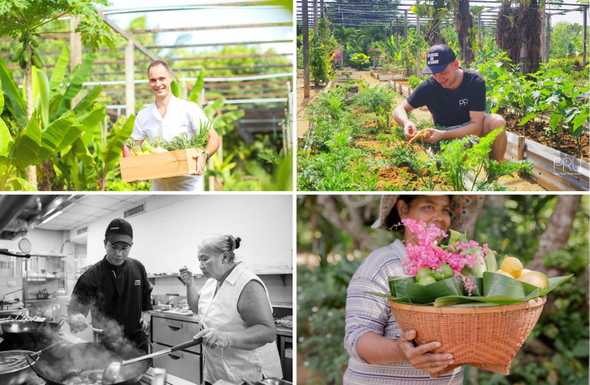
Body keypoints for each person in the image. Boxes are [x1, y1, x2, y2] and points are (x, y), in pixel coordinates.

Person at [344, 195, 482, 385]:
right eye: (428, 207)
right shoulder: (382, 264)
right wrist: (403, 351)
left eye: (445, 210)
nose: (439, 217)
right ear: (403, 210)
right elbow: (357, 339)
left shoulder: (455, 268)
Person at [179, 235, 282, 384]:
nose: (200, 265)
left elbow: (268, 332)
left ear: (225, 257)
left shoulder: (247, 283)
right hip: (219, 372)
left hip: (249, 373)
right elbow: (196, 307)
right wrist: (189, 284)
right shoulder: (212, 282)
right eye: (199, 260)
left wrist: (226, 338)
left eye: (205, 259)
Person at [392, 44, 507, 161]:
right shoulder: (428, 87)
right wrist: (406, 123)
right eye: (434, 73)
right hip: (443, 134)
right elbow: (399, 109)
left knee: (497, 122)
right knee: (452, 164)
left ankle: (495, 170)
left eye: (443, 72)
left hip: (470, 131)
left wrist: (443, 134)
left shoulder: (474, 82)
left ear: (456, 65)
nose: (439, 78)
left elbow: (476, 126)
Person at [132, 60, 221, 191]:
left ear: (170, 79)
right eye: (153, 80)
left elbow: (213, 138)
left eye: (162, 79)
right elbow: (135, 146)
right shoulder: (143, 115)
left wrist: (204, 156)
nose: (158, 84)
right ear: (148, 82)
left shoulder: (189, 109)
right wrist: (138, 165)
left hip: (188, 185)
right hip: (159, 186)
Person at [67, 218, 152, 354]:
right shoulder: (91, 276)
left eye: (124, 248)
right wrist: (76, 318)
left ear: (131, 246)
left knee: (143, 375)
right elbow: (74, 310)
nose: (119, 254)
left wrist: (146, 314)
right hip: (106, 345)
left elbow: (145, 295)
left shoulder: (138, 268)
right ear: (105, 243)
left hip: (137, 342)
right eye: (114, 247)